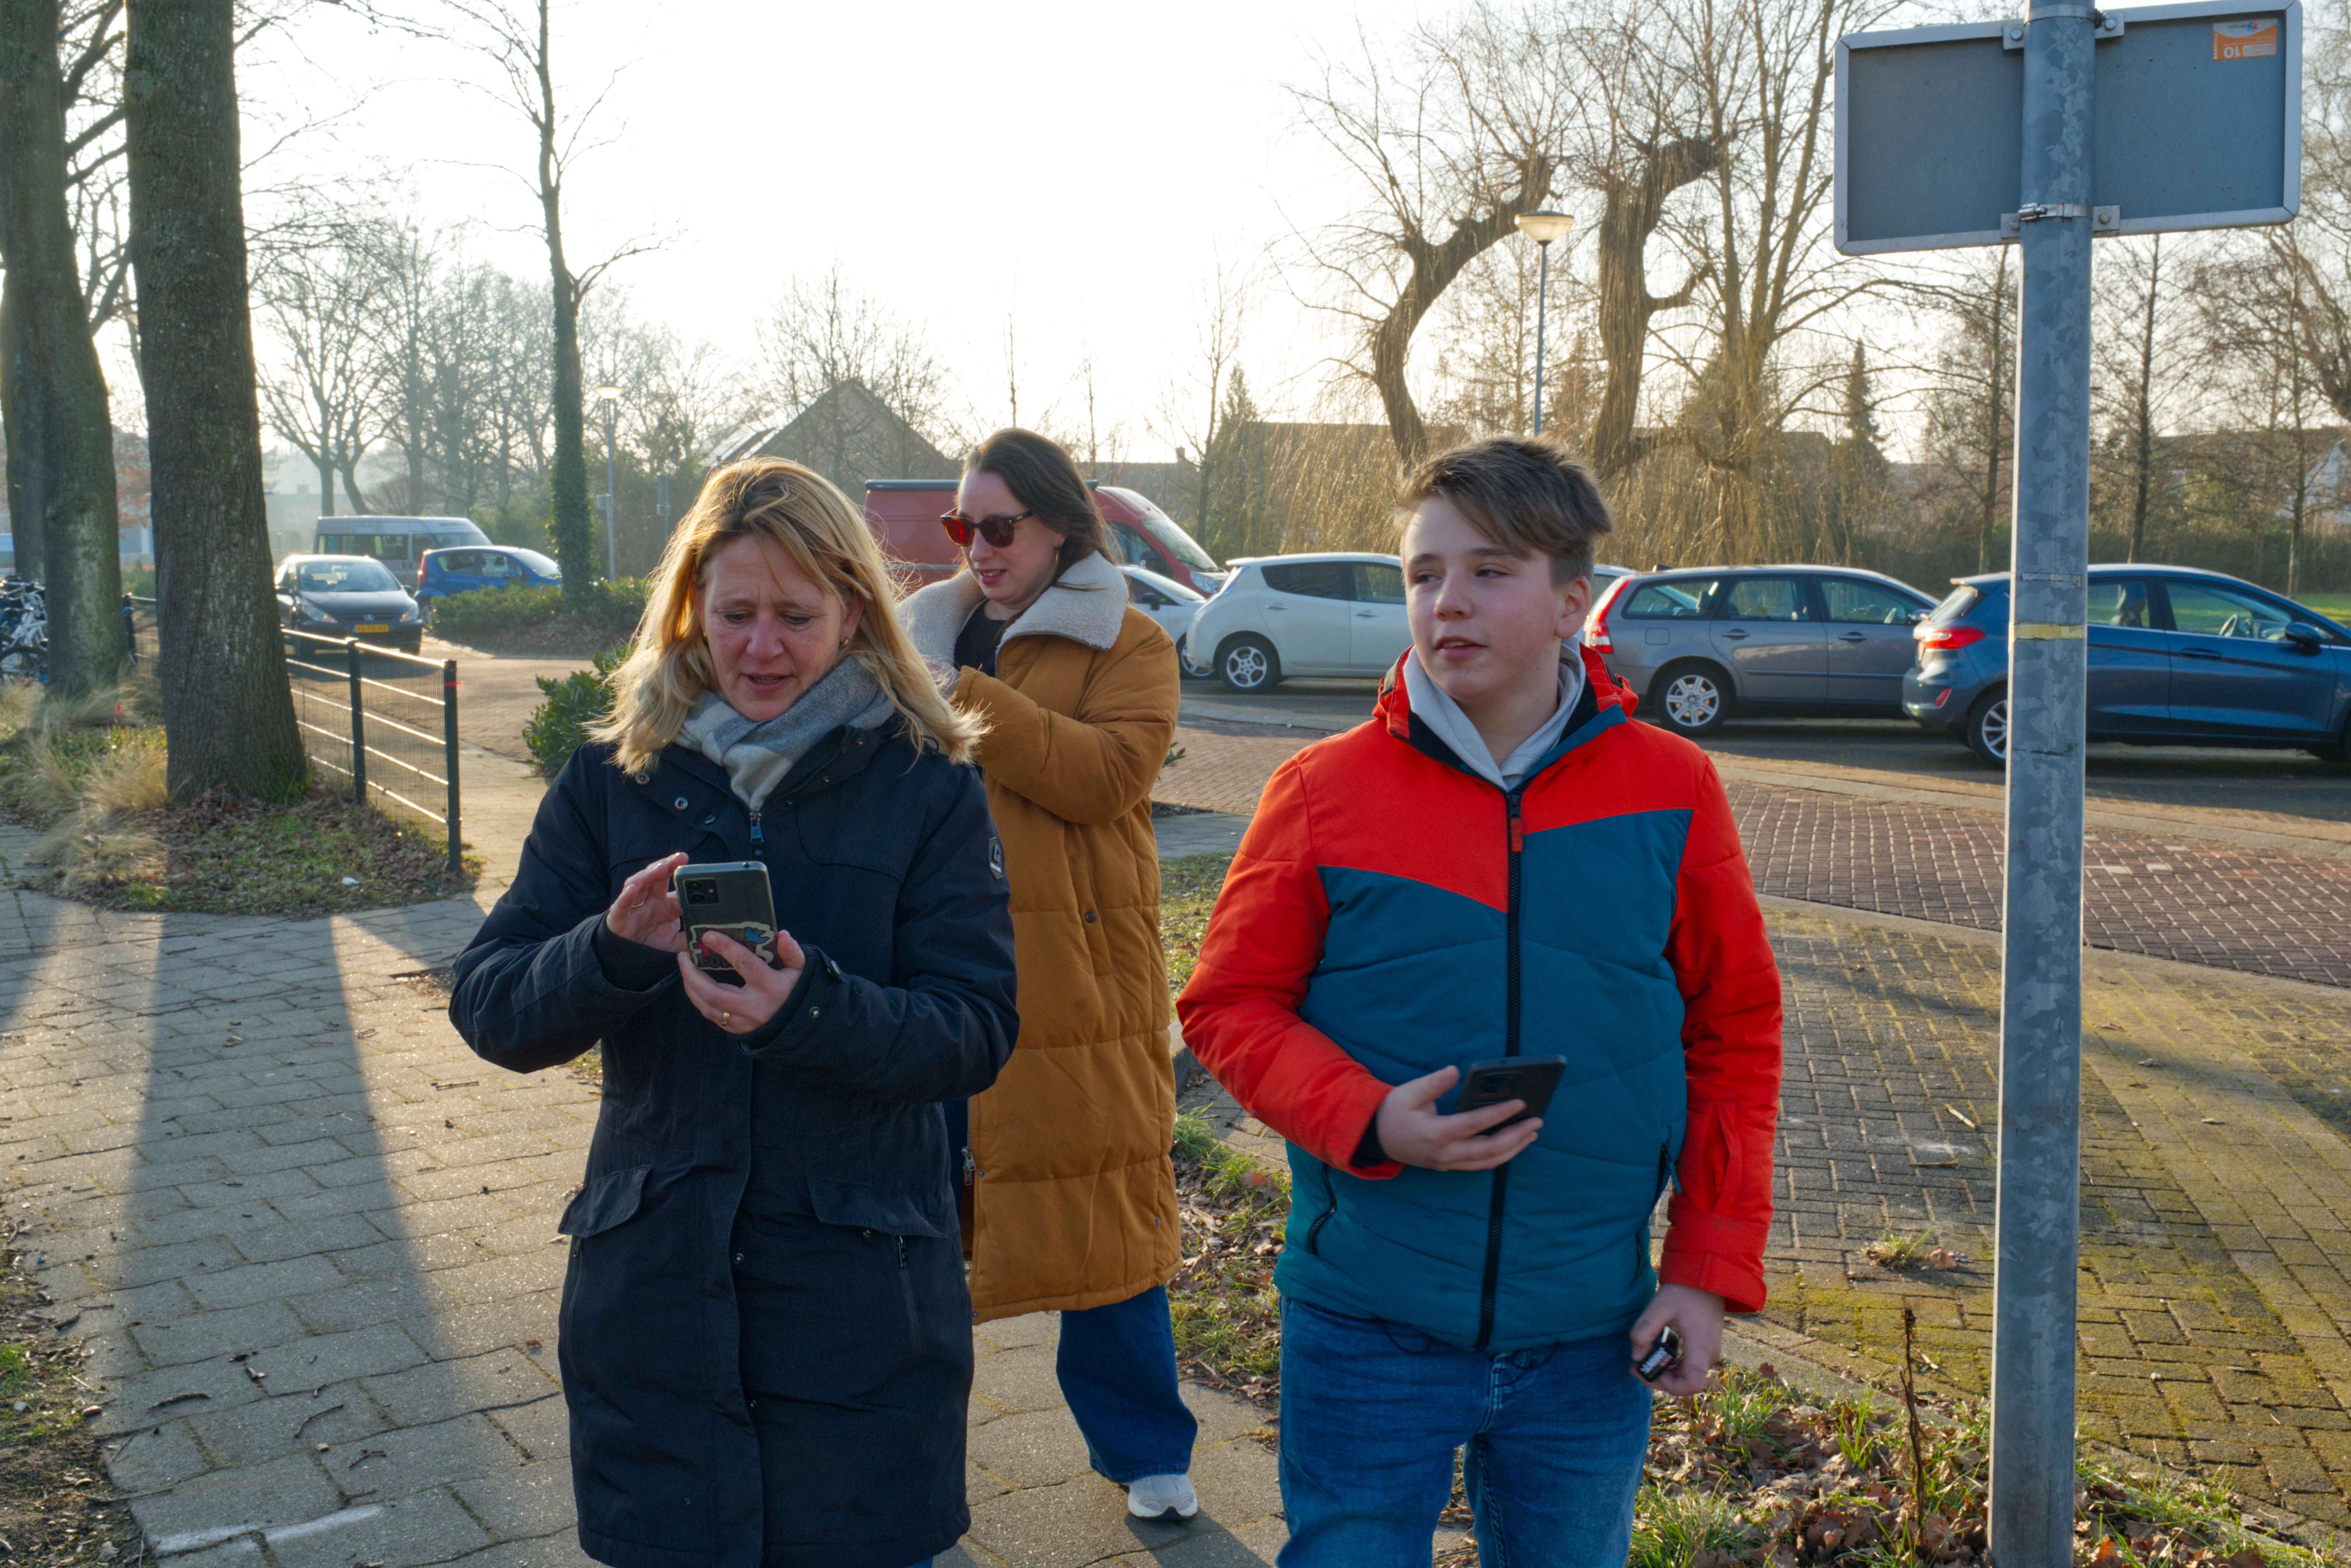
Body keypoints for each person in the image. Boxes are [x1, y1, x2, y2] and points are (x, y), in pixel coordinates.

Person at [1176, 436, 1783, 1568]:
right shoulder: (1319, 793)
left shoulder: (1673, 787)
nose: (1446, 601)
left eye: (1489, 570)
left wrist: (1702, 1270)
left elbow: (1734, 1029)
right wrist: (1368, 1118)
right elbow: (1228, 1005)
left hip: (1590, 1338)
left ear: (1572, 602)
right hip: (1365, 1325)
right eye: (1422, 573)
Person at [448, 458, 1018, 1568]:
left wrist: (810, 1011)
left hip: (860, 1307)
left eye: (796, 617)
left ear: (855, 611)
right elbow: (491, 1005)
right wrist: (606, 950)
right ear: (689, 611)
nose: (762, 647)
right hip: (656, 1298)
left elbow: (976, 1030)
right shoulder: (613, 780)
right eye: (736, 614)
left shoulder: (928, 783)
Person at [900, 428, 1199, 1519]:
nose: (974, 548)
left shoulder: (1127, 641)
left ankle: (1148, 1454)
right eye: (959, 527)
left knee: (1100, 1221)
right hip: (931, 963)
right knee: (918, 1234)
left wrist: (963, 698)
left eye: (997, 526)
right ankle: (908, 1471)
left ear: (1061, 526)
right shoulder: (911, 636)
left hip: (1073, 980)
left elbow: (1109, 777)